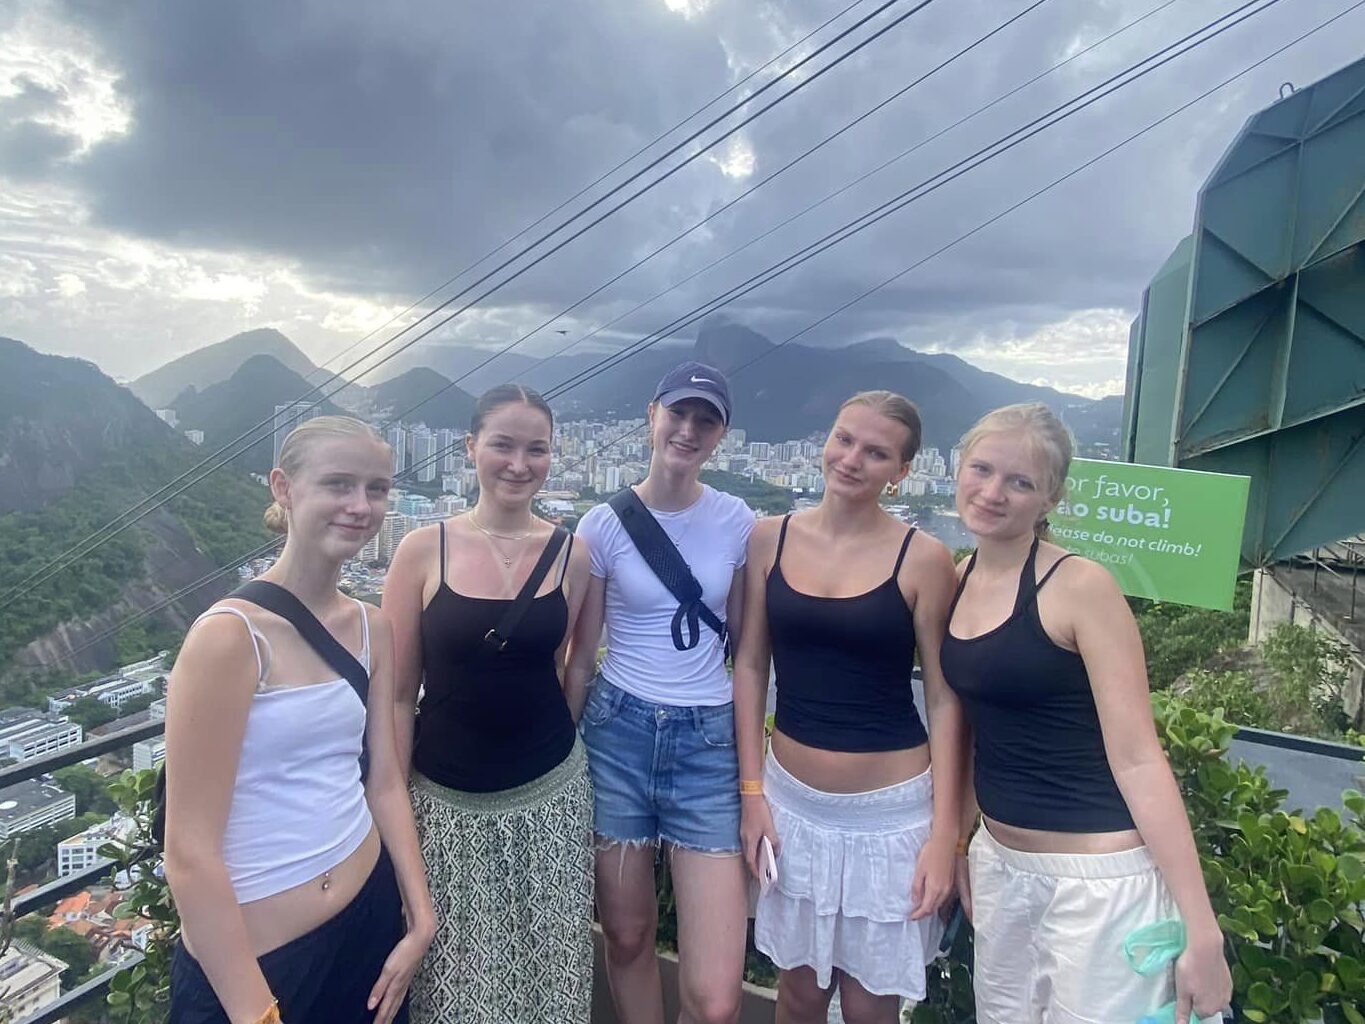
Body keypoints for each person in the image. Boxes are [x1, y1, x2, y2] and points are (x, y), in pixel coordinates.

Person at [940, 403, 1232, 1024]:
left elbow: (1138, 757)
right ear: (958, 469)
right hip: (1001, 868)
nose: (994, 493)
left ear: (1051, 499)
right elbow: (972, 732)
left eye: (1021, 482)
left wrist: (1200, 928)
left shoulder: (1081, 587)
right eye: (982, 469)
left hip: (1098, 883)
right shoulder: (958, 577)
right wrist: (963, 845)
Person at [164, 415, 435, 1024]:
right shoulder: (231, 638)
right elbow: (188, 853)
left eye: (378, 488)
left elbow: (385, 779)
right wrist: (257, 1013)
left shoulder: (373, 627)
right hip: (260, 966)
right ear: (283, 488)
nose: (361, 506)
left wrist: (420, 916)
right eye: (338, 484)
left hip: (368, 930)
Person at [732, 390, 964, 1024]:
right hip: (791, 804)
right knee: (798, 995)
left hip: (889, 816)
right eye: (844, 439)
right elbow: (751, 666)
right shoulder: (767, 539)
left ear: (903, 472)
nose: (852, 459)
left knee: (869, 1003)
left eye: (876, 452)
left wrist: (947, 835)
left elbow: (945, 699)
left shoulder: (923, 558)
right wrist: (752, 793)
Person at [384, 383, 595, 1024]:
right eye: (502, 445)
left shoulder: (572, 553)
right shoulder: (422, 550)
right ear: (471, 447)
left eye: (537, 449)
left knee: (550, 971)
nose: (519, 463)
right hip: (443, 802)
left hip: (551, 792)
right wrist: (393, 799)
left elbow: (572, 664)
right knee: (453, 981)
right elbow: (396, 694)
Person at [565, 361, 754, 1024]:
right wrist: (561, 751)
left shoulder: (736, 521)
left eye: (705, 420)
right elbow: (580, 653)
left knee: (714, 996)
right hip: (617, 731)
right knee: (625, 935)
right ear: (652, 416)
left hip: (707, 741)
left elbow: (750, 653)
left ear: (721, 435)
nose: (688, 429)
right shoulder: (602, 524)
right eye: (678, 413)